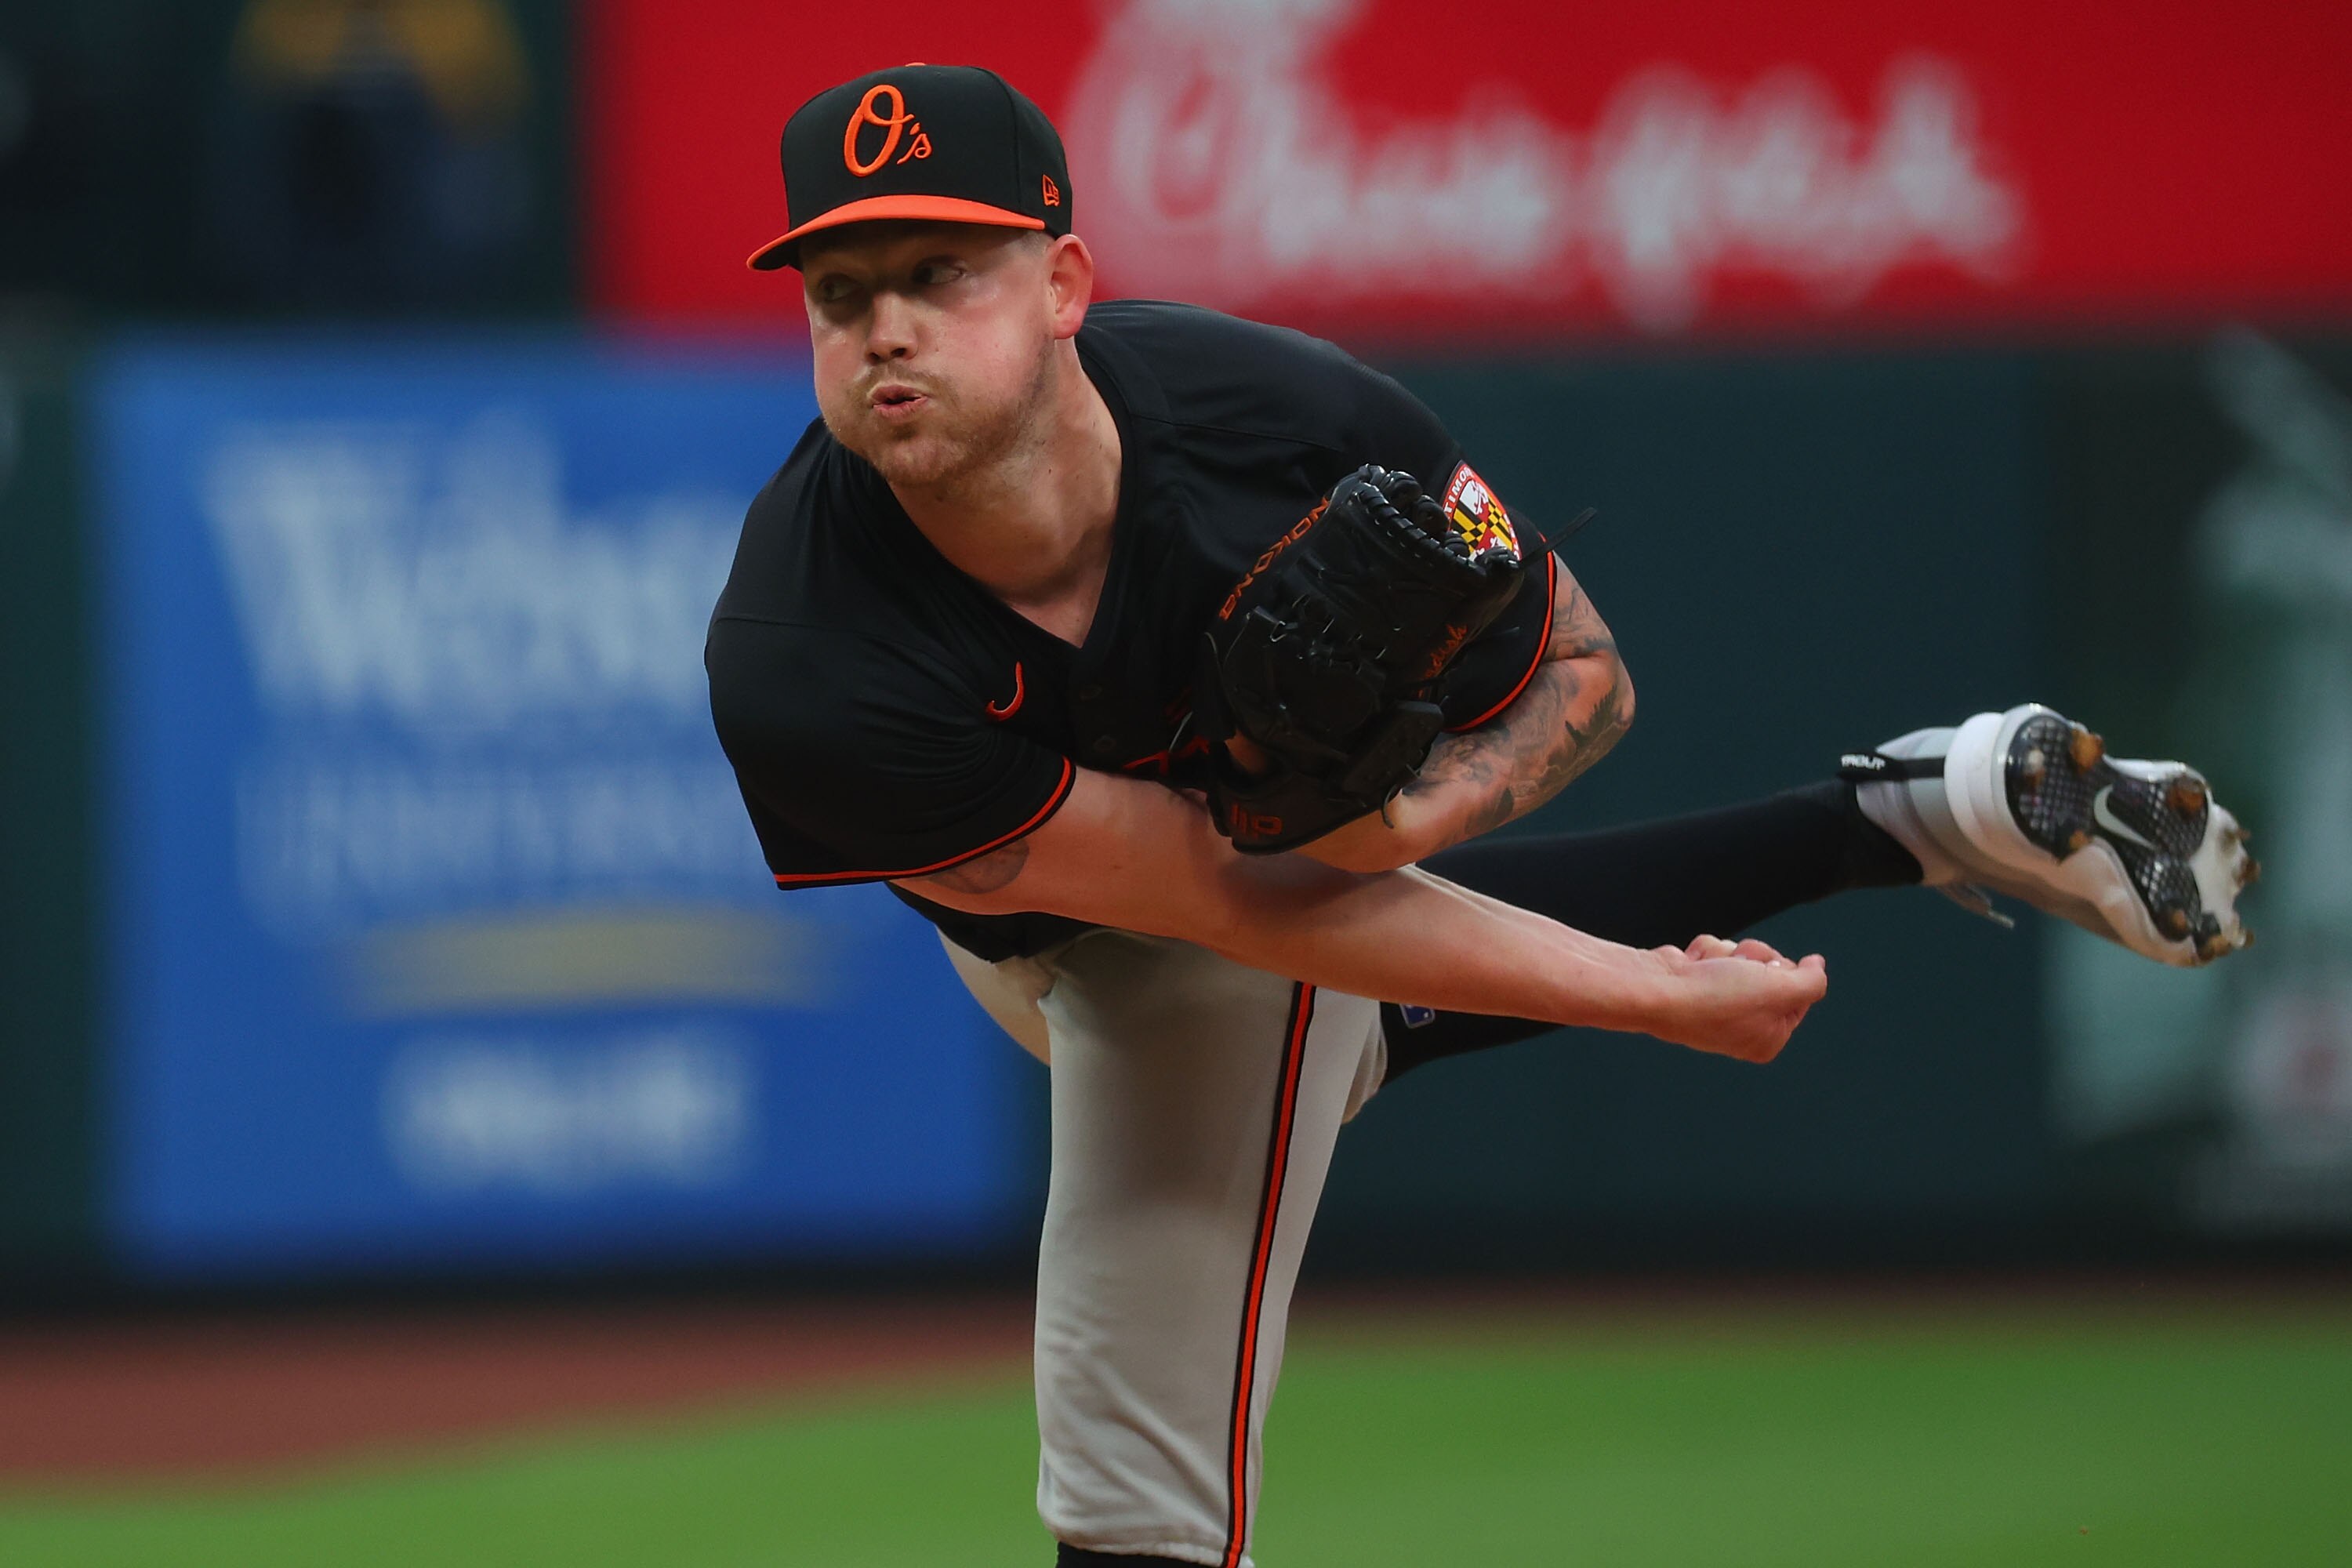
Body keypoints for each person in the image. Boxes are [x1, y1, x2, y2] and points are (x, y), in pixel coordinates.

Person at [705, 65, 2257, 1568]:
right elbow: (1219, 892)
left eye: (939, 269)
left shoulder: (1283, 421)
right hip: (1079, 914)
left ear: (1061, 282)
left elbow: (1582, 671)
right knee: (1321, 1005)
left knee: (1130, 1481)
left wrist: (1413, 816)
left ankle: (1908, 817)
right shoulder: (803, 653)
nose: (888, 325)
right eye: (840, 292)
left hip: (1183, 932)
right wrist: (1647, 990)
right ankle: (1918, 812)